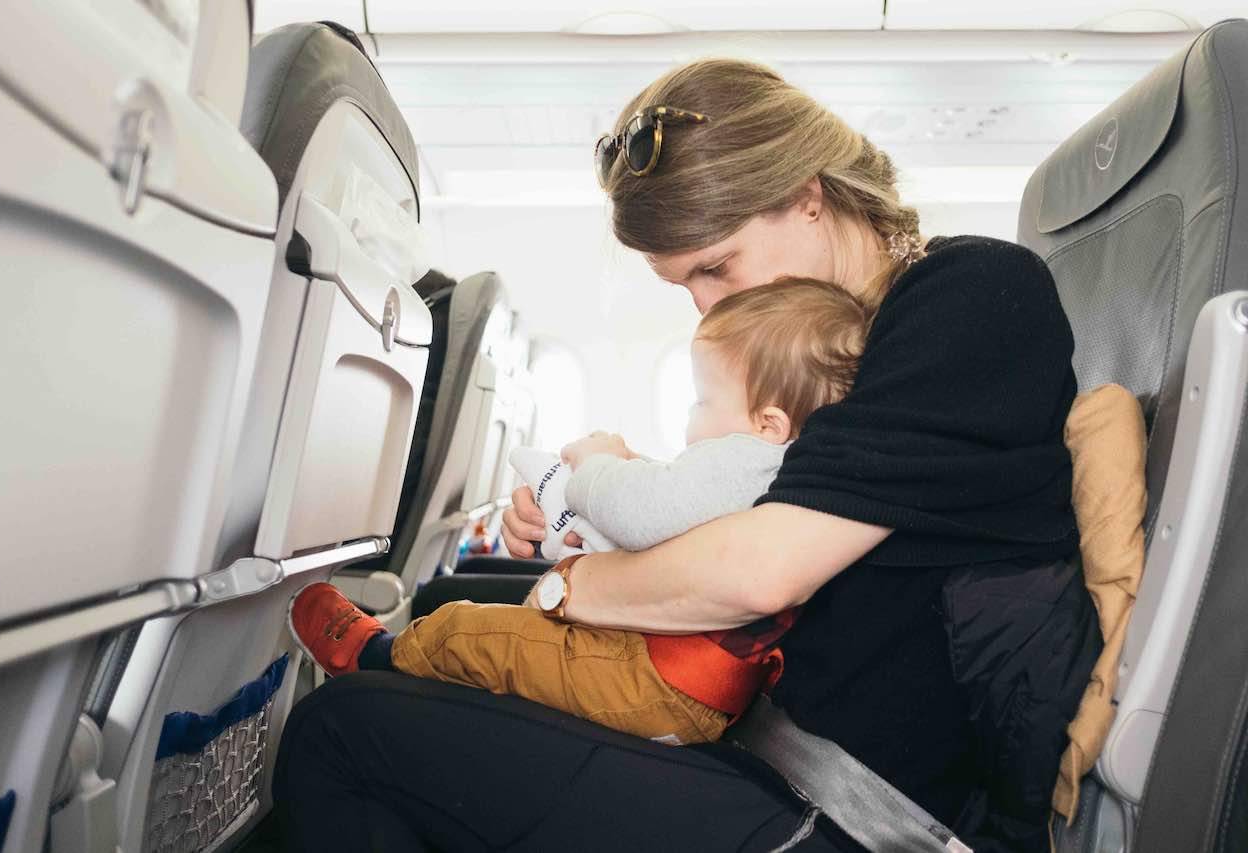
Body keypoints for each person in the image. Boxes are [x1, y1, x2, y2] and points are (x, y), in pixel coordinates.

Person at [273, 58, 1098, 852]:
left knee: (338, 732)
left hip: (843, 811)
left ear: (807, 198)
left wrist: (575, 586)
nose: (706, 304)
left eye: (716, 266)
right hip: (751, 739)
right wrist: (586, 504)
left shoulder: (972, 297)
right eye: (685, 285)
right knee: (447, 616)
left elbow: (759, 571)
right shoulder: (835, 341)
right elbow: (750, 499)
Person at [287, 278, 871, 746]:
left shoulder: (747, 458)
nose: (693, 418)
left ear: (768, 422)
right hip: (685, 684)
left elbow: (643, 513)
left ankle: (375, 658)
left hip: (654, 678)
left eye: (703, 400)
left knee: (468, 629)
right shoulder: (780, 467)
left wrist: (597, 464)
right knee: (513, 638)